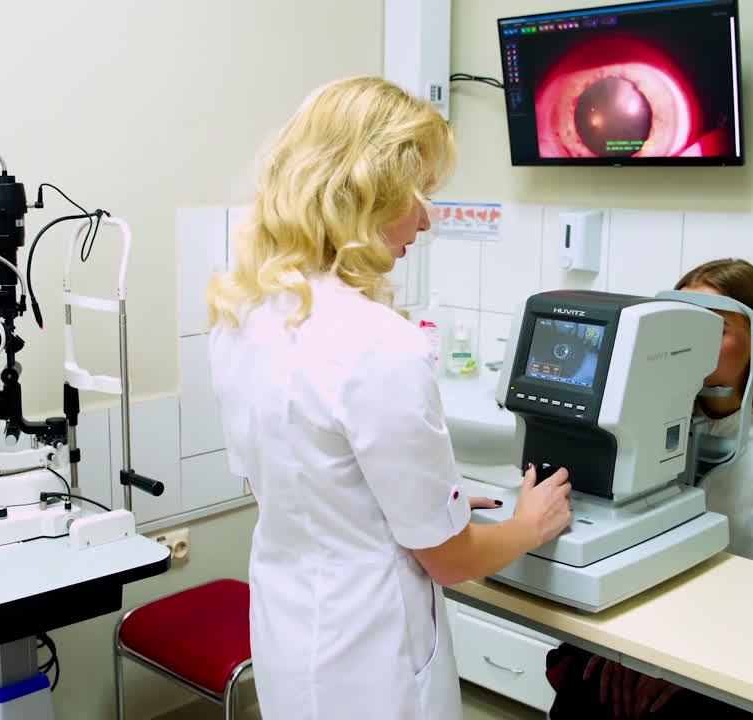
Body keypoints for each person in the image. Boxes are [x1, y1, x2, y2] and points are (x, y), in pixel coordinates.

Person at [205, 76, 573, 720]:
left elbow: (310, 477)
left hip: (293, 625)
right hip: (371, 655)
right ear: (366, 191)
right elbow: (453, 560)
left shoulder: (244, 314)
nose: (427, 220)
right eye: (420, 194)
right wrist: (526, 523)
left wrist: (438, 495)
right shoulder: (380, 344)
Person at [546, 258, 753, 719]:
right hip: (645, 619)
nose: (698, 343)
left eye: (718, 328)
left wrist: (687, 665)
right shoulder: (643, 420)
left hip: (743, 638)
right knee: (584, 688)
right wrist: (628, 648)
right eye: (687, 325)